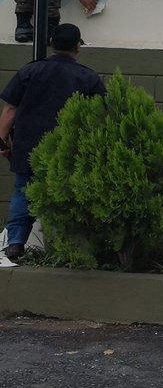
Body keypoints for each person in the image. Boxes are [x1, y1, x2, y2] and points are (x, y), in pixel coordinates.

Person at [0, 24, 105, 265]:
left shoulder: (29, 71)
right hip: (68, 149)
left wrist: (1, 141)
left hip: (28, 146)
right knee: (67, 195)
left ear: (51, 43)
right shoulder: (88, 77)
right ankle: (65, 247)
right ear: (78, 46)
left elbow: (10, 110)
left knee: (22, 193)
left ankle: (15, 243)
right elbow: (100, 116)